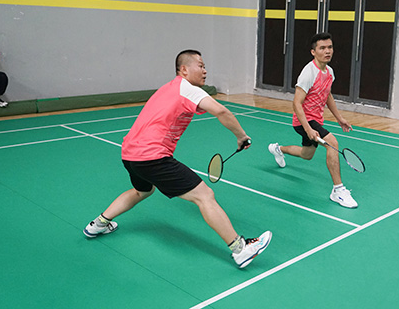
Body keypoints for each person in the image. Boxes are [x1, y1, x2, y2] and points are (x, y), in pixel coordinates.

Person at [83, 49, 271, 268]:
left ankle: (98, 224)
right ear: (184, 69)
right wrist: (241, 136)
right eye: (200, 66)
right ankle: (240, 249)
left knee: (142, 191)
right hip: (152, 156)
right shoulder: (188, 89)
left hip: (130, 154)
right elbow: (222, 111)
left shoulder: (167, 88)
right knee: (205, 196)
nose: (205, 70)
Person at [268, 32, 358, 208]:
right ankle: (338, 190)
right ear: (313, 52)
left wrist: (339, 118)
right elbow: (296, 103)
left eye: (330, 47)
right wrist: (308, 128)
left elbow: (327, 95)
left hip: (316, 120)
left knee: (306, 154)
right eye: (322, 48)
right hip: (304, 121)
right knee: (332, 143)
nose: (327, 51)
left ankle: (278, 149)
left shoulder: (329, 72)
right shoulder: (308, 73)